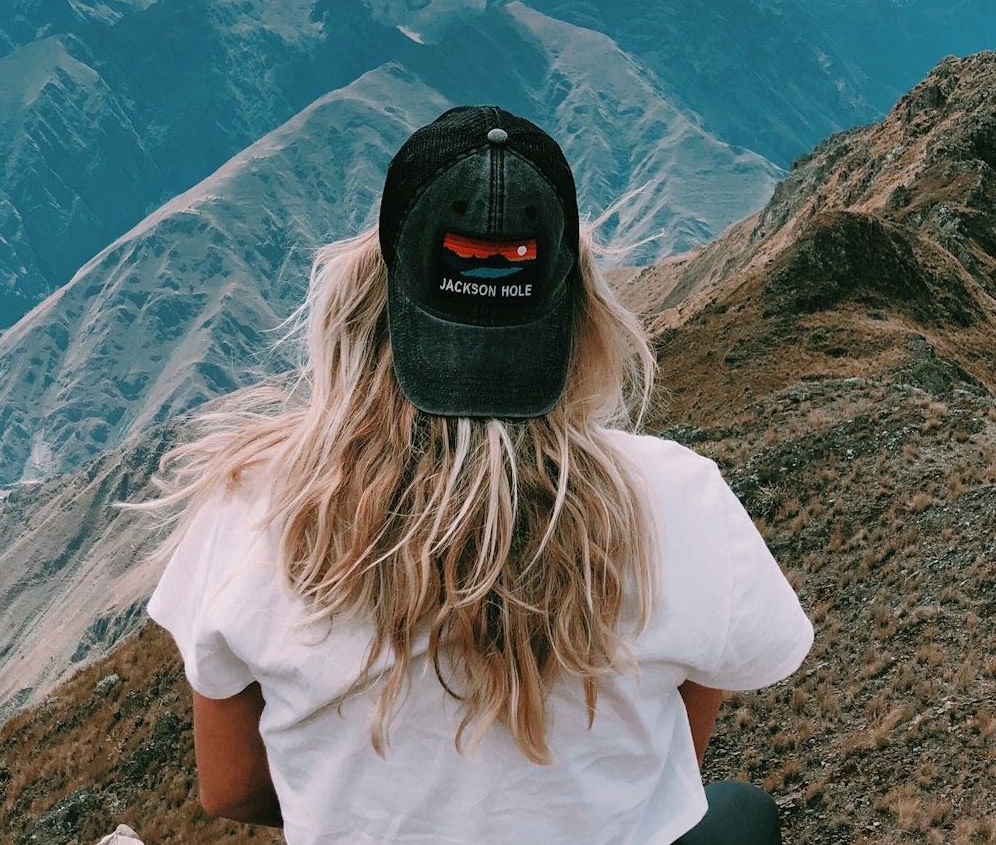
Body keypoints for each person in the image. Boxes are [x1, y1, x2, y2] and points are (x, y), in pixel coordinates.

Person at [140, 106, 814, 845]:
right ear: (580, 306)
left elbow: (231, 785)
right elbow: (667, 762)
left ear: (373, 289)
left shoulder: (255, 504)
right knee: (737, 814)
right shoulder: (676, 500)